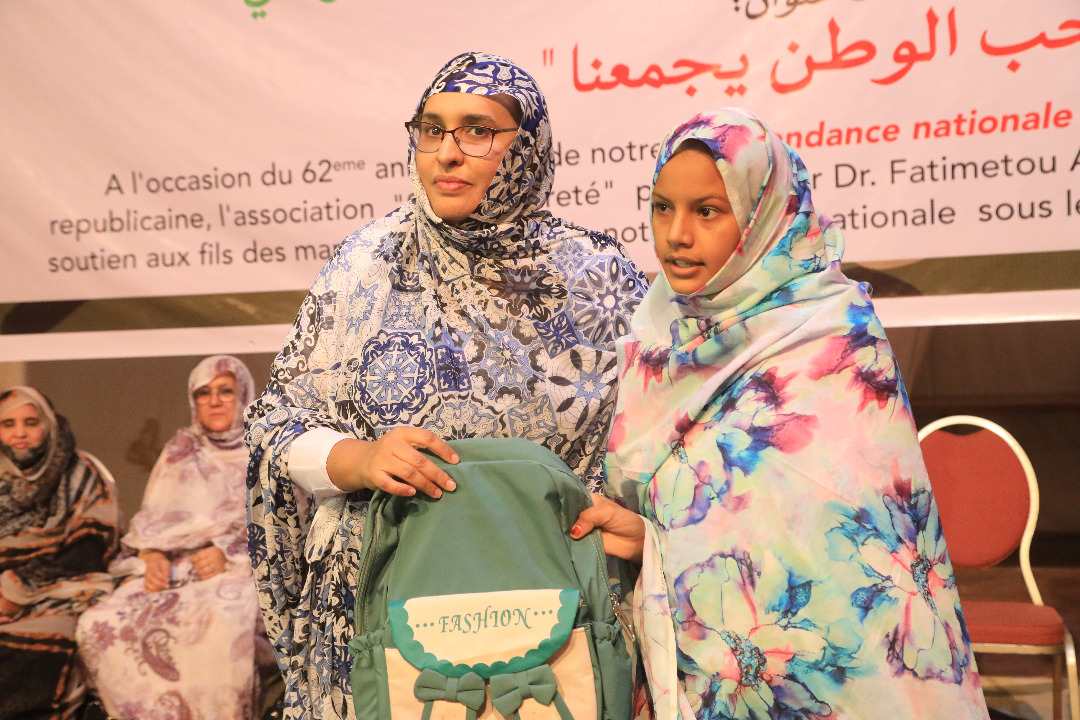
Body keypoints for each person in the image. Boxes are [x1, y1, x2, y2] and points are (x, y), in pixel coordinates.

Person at [244, 51, 647, 719]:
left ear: (528, 146)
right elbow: (277, 421)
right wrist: (358, 459)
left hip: (557, 620)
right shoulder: (364, 266)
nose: (447, 153)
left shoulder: (595, 275)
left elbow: (655, 436)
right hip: (384, 617)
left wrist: (642, 528)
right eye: (432, 130)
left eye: (478, 130)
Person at [571, 109, 990, 719]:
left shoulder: (832, 338)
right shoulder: (659, 332)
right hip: (701, 673)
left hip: (836, 679)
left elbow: (840, 541)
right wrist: (650, 542)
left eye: (707, 211)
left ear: (764, 216)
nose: (676, 234)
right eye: (662, 207)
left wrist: (664, 545)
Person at [76, 355, 272, 720]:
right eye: (204, 393)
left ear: (244, 394)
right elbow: (151, 525)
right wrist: (151, 557)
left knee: (222, 621)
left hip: (241, 573)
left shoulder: (265, 452)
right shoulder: (180, 451)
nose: (214, 401)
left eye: (226, 391)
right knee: (97, 624)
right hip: (175, 573)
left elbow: (282, 527)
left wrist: (228, 554)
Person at [0, 386, 121, 720]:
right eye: (8, 424)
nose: (20, 433)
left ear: (48, 425)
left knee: (41, 638)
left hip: (64, 588)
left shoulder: (81, 472)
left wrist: (17, 591)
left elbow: (89, 547)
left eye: (30, 422)